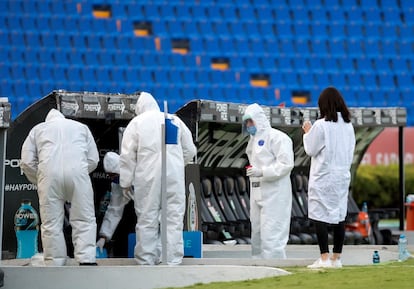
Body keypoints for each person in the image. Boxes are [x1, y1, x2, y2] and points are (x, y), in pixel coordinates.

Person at [119, 92, 196, 265]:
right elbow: (190, 150)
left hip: (148, 177)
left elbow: (127, 156)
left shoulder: (137, 123)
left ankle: (146, 261)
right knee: (173, 219)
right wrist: (175, 163)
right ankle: (171, 261)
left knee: (147, 219)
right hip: (173, 177)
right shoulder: (174, 120)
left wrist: (125, 182)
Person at [20, 108, 99, 266]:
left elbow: (27, 162)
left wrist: (40, 178)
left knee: (51, 223)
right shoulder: (81, 127)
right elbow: (93, 159)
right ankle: (86, 259)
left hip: (49, 177)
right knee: (84, 218)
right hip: (78, 175)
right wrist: (80, 172)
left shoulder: (37, 130)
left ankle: (54, 261)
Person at [302, 87, 356, 269]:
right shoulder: (348, 126)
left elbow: (311, 149)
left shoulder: (321, 125)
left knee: (320, 215)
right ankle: (336, 258)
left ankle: (324, 258)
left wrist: (307, 131)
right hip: (341, 176)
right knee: (340, 215)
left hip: (324, 177)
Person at [242, 103, 294, 259]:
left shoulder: (278, 138)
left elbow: (286, 165)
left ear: (259, 119)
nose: (249, 125)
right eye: (247, 122)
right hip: (257, 192)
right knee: (257, 232)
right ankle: (258, 268)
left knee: (272, 233)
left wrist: (262, 172)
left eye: (251, 121)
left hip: (275, 193)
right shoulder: (252, 141)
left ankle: (275, 267)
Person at [96, 151, 134, 254]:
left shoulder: (138, 175)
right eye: (110, 176)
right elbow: (114, 209)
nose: (112, 179)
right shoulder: (117, 185)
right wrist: (104, 236)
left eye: (114, 175)